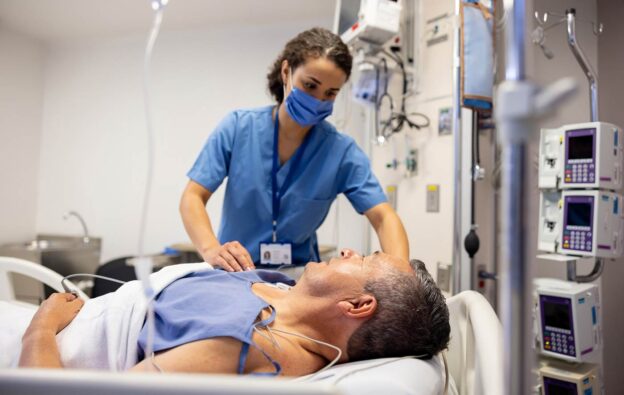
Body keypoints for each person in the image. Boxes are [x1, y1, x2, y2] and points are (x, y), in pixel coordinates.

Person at [180, 27, 409, 272]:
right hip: (235, 271)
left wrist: (401, 277)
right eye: (310, 86)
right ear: (286, 72)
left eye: (330, 93)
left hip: (300, 278)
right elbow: (193, 197)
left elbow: (384, 217)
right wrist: (211, 249)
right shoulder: (238, 128)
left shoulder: (341, 152)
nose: (318, 100)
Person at [18, 250, 450, 376]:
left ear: (357, 306)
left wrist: (41, 325)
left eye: (364, 259)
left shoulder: (249, 343)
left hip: (35, 349)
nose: (347, 251)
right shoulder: (282, 289)